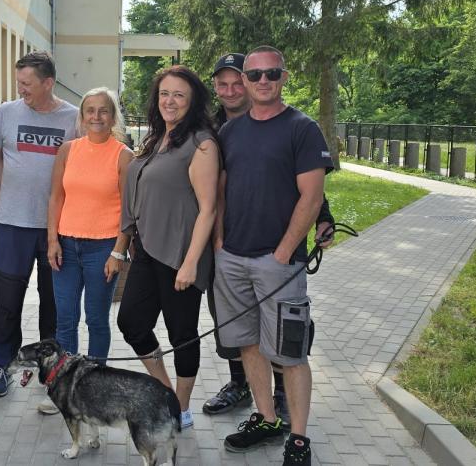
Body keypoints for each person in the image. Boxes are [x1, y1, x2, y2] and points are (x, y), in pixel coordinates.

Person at [202, 53, 335, 429]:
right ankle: (262, 413)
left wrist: (285, 250)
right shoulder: (225, 131)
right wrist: (218, 241)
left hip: (278, 261)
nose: (262, 80)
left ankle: (294, 429)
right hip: (231, 257)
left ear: (283, 77)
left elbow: (310, 194)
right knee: (245, 341)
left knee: (287, 350)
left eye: (271, 73)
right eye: (254, 74)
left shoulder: (301, 127)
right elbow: (220, 190)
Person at [115, 65, 220, 430]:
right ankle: (166, 394)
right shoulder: (156, 139)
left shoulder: (201, 144)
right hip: (146, 250)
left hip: (180, 255)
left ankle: (182, 409)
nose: (169, 101)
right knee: (131, 322)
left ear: (192, 101)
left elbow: (208, 209)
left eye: (178, 94)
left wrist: (191, 263)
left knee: (182, 334)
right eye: (164, 93)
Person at [0, 51, 78, 400]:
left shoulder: (73, 118)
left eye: (27, 84)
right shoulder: (6, 113)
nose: (21, 89)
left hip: (57, 229)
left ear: (48, 83)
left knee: (54, 302)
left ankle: (54, 371)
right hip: (11, 224)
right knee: (7, 301)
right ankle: (2, 364)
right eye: (18, 82)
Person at [46, 88, 133, 363]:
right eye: (90, 111)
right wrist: (52, 241)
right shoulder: (67, 150)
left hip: (104, 249)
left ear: (113, 117)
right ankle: (65, 379)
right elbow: (56, 197)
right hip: (66, 247)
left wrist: (118, 252)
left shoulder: (123, 156)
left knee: (96, 320)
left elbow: (129, 211)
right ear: (82, 116)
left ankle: (96, 380)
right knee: (65, 320)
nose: (96, 116)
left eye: (103, 111)